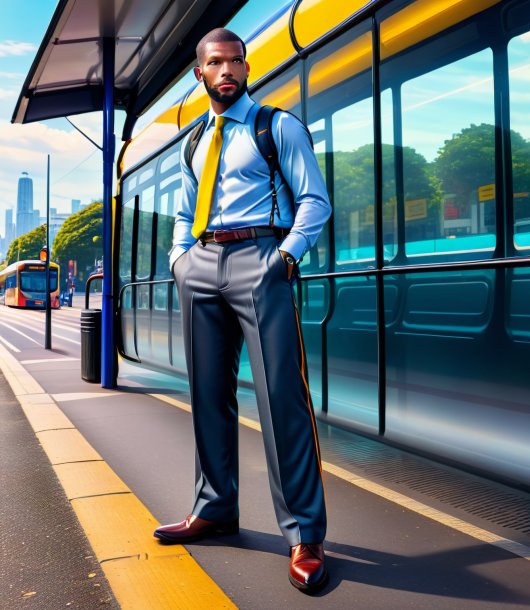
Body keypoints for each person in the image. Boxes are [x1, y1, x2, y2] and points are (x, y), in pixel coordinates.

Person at [153, 28, 332, 593]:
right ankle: (215, 509)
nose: (226, 70)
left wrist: (283, 258)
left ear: (246, 68)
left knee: (282, 398)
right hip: (201, 264)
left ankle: (304, 535)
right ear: (200, 73)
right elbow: (184, 211)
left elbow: (315, 201)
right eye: (216, 63)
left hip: (261, 257)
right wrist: (181, 258)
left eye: (235, 62)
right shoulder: (192, 142)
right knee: (206, 393)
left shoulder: (278, 127)